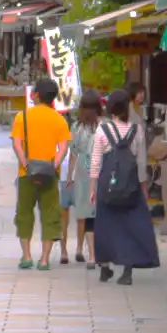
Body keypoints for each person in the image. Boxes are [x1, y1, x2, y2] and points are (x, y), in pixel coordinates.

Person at [89, 88, 159, 285]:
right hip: (131, 187)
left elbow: (96, 162)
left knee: (105, 226)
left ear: (110, 106)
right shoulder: (137, 130)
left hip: (107, 187)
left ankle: (104, 267)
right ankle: (127, 271)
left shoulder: (102, 130)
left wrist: (92, 188)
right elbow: (141, 163)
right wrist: (144, 189)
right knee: (130, 227)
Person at [10, 78, 71, 270]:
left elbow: (17, 144)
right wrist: (55, 165)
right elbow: (63, 148)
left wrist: (25, 162)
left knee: (24, 213)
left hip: (26, 173)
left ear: (36, 95)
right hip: (50, 174)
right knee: (50, 214)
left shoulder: (23, 117)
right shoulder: (59, 119)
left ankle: (26, 256)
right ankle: (44, 259)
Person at [64, 89, 102, 268]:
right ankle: (96, 253)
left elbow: (72, 153)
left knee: (85, 211)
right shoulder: (103, 125)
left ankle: (88, 252)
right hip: (101, 168)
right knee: (99, 211)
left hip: (82, 169)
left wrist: (69, 175)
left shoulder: (76, 126)